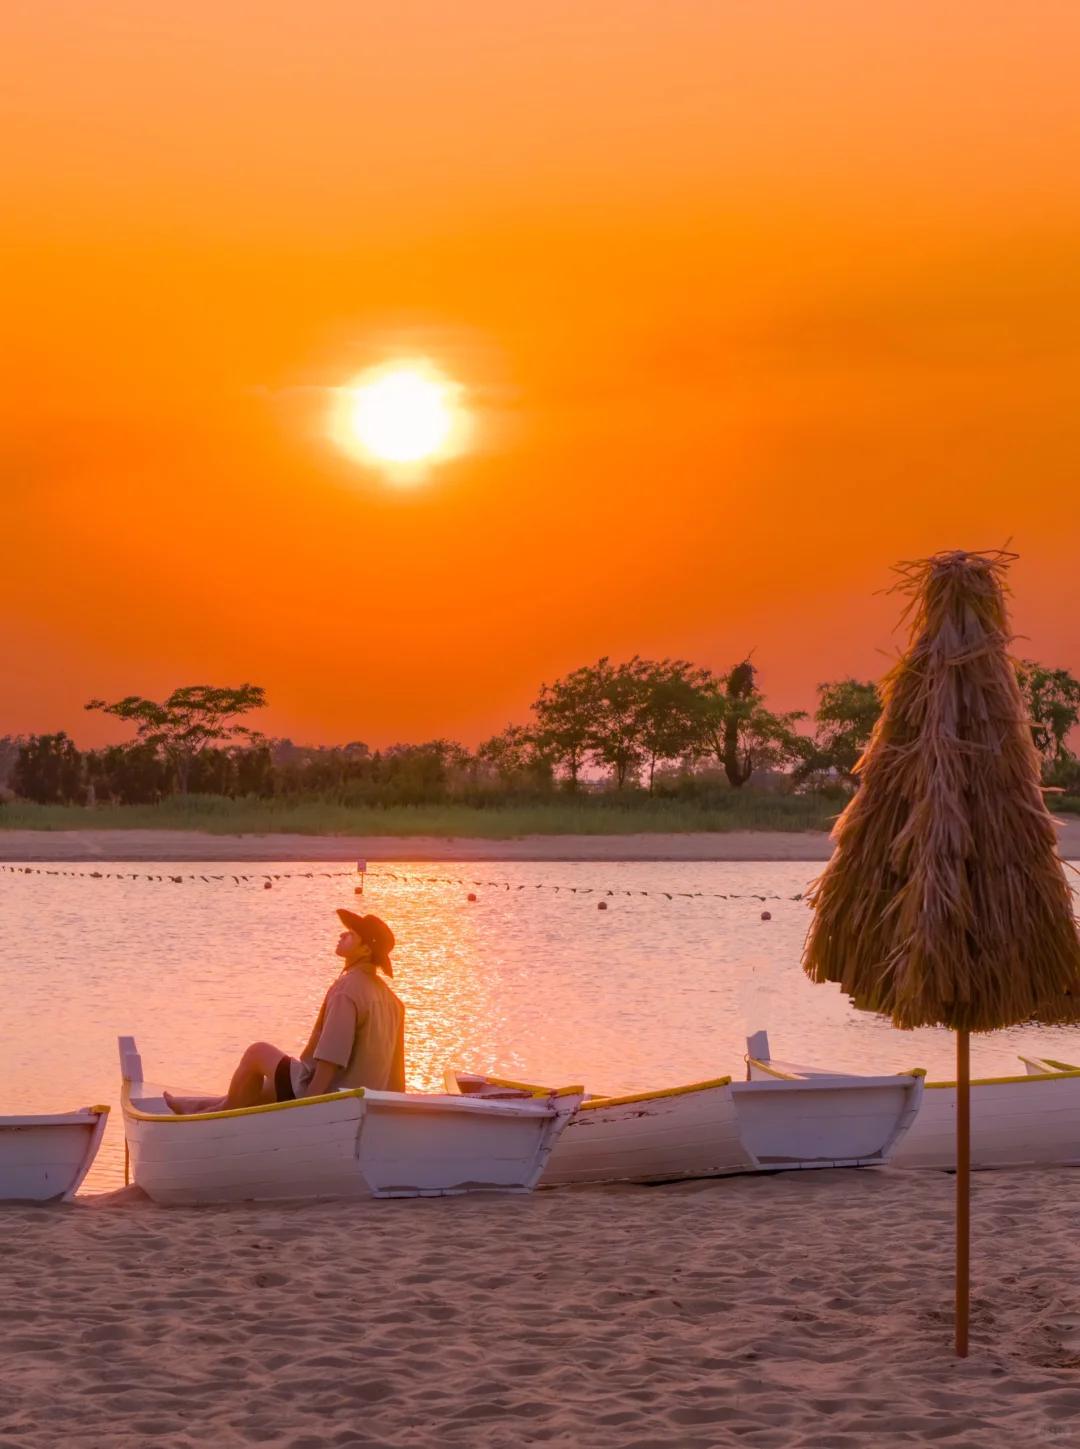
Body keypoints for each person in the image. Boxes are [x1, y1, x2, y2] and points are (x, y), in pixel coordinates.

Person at [164, 910, 405, 1114]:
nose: (342, 934)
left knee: (257, 1052)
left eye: (351, 934)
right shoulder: (393, 1001)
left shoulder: (347, 989)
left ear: (364, 951)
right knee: (267, 1088)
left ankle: (212, 1116)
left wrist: (309, 1104)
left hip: (330, 1099)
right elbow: (397, 1074)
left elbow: (332, 1056)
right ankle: (200, 1105)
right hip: (363, 1101)